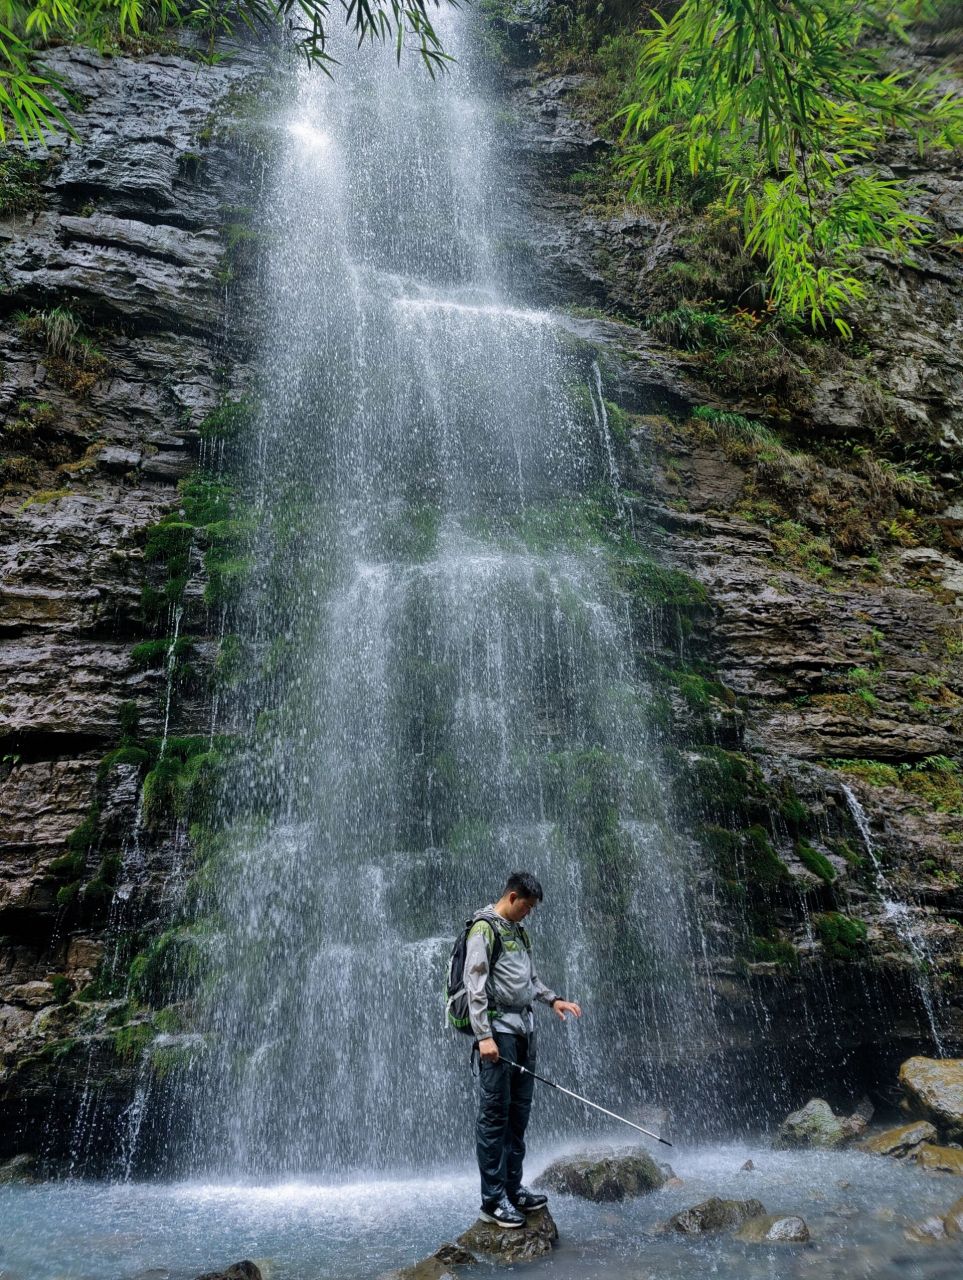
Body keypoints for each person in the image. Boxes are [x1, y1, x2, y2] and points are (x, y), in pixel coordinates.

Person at [464, 870, 582, 1228]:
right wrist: (483, 1036)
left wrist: (554, 1000)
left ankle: (513, 1189)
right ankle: (492, 1200)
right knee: (494, 1115)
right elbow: (474, 984)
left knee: (518, 1115)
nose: (529, 912)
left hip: (524, 1032)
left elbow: (530, 980)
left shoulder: (519, 932)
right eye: (527, 906)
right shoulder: (484, 929)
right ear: (512, 897)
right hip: (498, 1034)